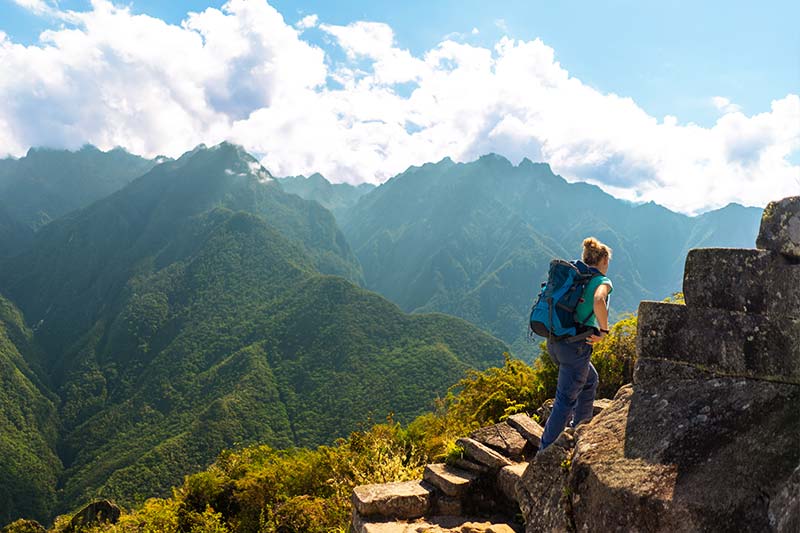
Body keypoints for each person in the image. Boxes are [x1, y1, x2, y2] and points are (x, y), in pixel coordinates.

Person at [539, 237, 613, 451]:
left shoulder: (575, 276)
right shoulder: (601, 281)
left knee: (590, 380)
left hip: (555, 343)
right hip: (576, 347)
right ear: (604, 260)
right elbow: (599, 301)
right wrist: (604, 331)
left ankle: (579, 428)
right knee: (564, 401)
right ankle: (544, 452)